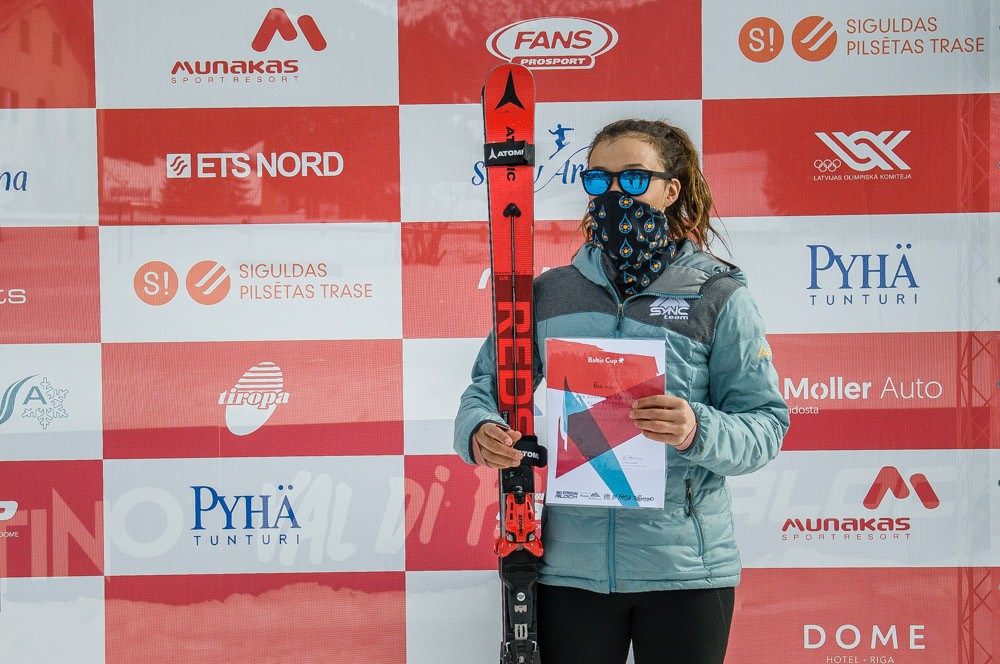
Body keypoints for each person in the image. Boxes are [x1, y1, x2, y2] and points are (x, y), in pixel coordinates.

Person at [454, 118, 789, 664]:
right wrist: (479, 430)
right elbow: (485, 388)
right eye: (598, 179)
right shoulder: (552, 293)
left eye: (633, 178)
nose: (614, 193)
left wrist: (696, 427)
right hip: (570, 570)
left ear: (670, 190)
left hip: (684, 570)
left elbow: (765, 426)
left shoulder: (717, 295)